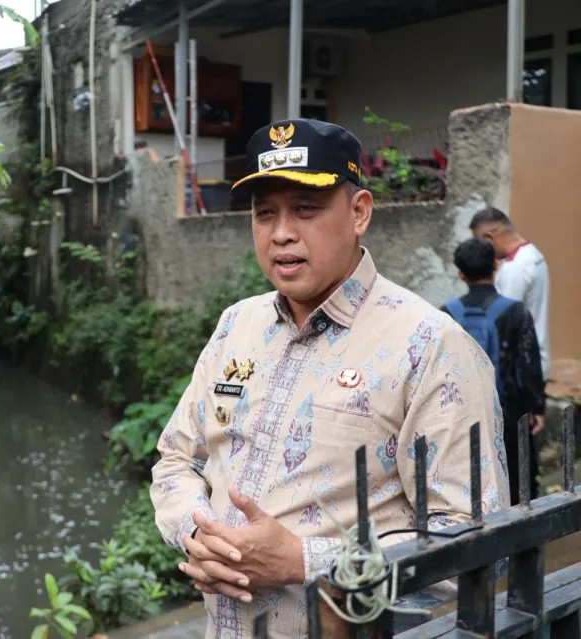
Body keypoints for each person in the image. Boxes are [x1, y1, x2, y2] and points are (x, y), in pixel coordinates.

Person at [150, 118, 511, 639]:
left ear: (360, 212)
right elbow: (178, 459)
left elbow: (478, 545)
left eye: (306, 209)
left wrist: (306, 561)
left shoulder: (431, 347)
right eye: (264, 214)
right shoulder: (236, 325)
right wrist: (198, 534)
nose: (281, 233)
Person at [442, 238, 545, 505]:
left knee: (467, 479)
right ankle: (523, 542)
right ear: (495, 266)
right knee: (518, 479)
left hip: (462, 414)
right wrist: (537, 407)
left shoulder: (447, 313)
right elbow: (528, 363)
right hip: (509, 413)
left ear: (461, 274)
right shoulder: (516, 312)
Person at [469, 207, 550, 381]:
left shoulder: (515, 269)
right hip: (533, 360)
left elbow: (503, 323)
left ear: (489, 238)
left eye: (480, 243)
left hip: (519, 371)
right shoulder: (533, 254)